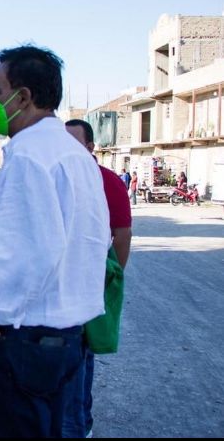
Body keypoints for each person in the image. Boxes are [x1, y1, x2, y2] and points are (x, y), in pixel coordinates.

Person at [0, 45, 110, 438]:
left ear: (22, 97)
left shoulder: (30, 157)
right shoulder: (75, 156)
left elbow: (29, 252)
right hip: (65, 338)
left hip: (23, 338)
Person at [65, 119, 133, 438]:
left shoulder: (107, 181)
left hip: (88, 287)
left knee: (82, 357)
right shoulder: (58, 178)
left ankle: (82, 423)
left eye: (73, 141)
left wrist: (109, 275)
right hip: (55, 291)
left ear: (91, 147)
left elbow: (121, 234)